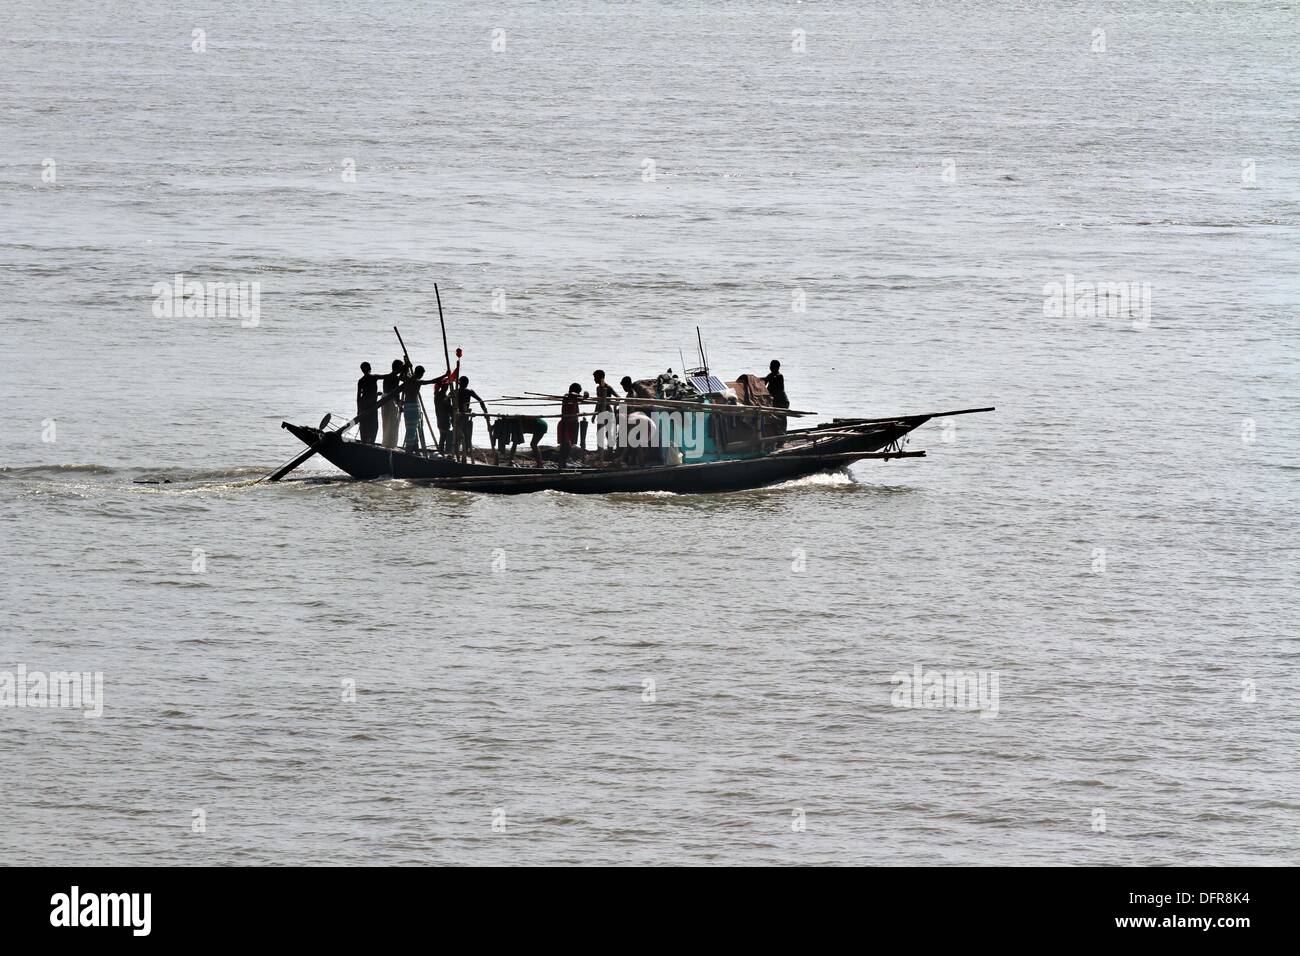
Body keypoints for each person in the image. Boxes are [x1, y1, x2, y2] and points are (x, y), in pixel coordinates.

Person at [400, 365, 445, 452]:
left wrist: (405, 367)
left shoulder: (406, 379)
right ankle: (408, 451)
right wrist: (445, 375)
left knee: (410, 429)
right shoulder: (417, 381)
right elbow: (433, 381)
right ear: (419, 373)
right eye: (422, 374)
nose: (422, 376)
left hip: (407, 407)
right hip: (413, 408)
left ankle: (414, 449)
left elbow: (400, 377)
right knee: (412, 430)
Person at [454, 376, 492, 457]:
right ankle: (463, 451)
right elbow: (480, 400)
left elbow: (449, 399)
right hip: (462, 415)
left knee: (460, 434)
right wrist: (485, 411)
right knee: (464, 434)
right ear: (467, 384)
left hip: (458, 415)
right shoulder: (468, 391)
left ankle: (461, 452)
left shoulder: (456, 391)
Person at [557, 382, 587, 469]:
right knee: (566, 445)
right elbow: (574, 395)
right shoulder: (568, 396)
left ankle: (563, 463)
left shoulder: (574, 399)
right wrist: (584, 395)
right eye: (578, 392)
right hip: (566, 424)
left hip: (571, 425)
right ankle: (562, 463)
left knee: (568, 446)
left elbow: (581, 399)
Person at [591, 370, 619, 456]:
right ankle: (600, 451)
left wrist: (614, 406)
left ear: (600, 378)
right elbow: (598, 402)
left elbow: (617, 397)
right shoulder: (598, 388)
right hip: (600, 412)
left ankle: (610, 451)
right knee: (599, 432)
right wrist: (594, 415)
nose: (594, 379)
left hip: (608, 412)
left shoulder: (608, 387)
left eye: (595, 377)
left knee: (608, 433)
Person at [356, 362, 384, 444]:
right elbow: (387, 376)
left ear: (362, 370)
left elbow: (359, 397)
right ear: (370, 368)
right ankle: (370, 443)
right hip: (372, 405)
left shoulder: (361, 380)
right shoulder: (374, 377)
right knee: (373, 426)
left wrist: (358, 410)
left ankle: (366, 442)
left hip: (364, 405)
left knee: (365, 426)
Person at [379, 359, 404, 448]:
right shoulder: (395, 378)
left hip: (384, 399)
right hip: (390, 400)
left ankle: (385, 443)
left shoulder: (388, 376)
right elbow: (395, 392)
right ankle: (391, 445)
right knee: (392, 423)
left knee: (386, 423)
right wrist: (399, 403)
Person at [433, 382, 453, 454]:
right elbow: (447, 407)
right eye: (446, 386)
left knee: (443, 436)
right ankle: (441, 451)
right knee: (443, 436)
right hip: (444, 419)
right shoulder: (442, 396)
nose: (446, 388)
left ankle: (441, 450)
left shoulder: (437, 395)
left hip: (440, 418)